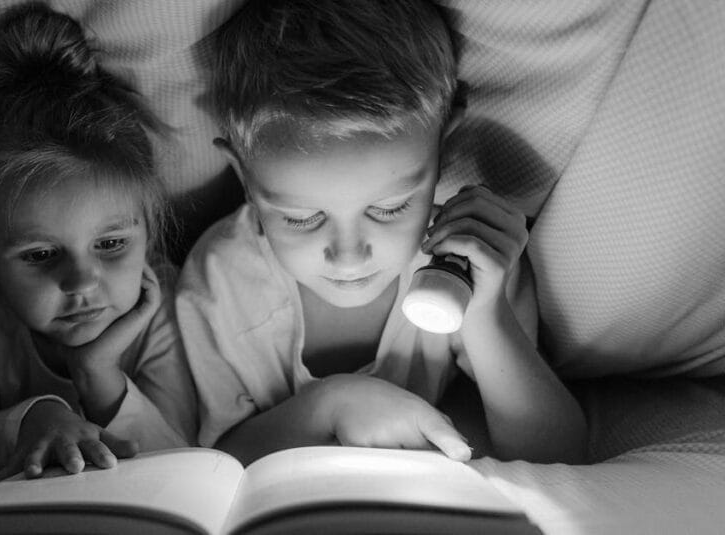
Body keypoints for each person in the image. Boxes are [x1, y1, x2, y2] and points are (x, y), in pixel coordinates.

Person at [177, 0, 586, 466]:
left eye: (390, 208)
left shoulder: (468, 260)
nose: (349, 256)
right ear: (244, 177)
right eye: (302, 218)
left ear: (443, 148)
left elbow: (558, 454)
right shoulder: (221, 282)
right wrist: (332, 405)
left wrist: (486, 314)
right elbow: (216, 461)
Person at [0, 2, 196, 479]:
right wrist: (35, 417)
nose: (81, 281)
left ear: (149, 236)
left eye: (111, 245)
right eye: (42, 254)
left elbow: (182, 453)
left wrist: (97, 372)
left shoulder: (164, 302)